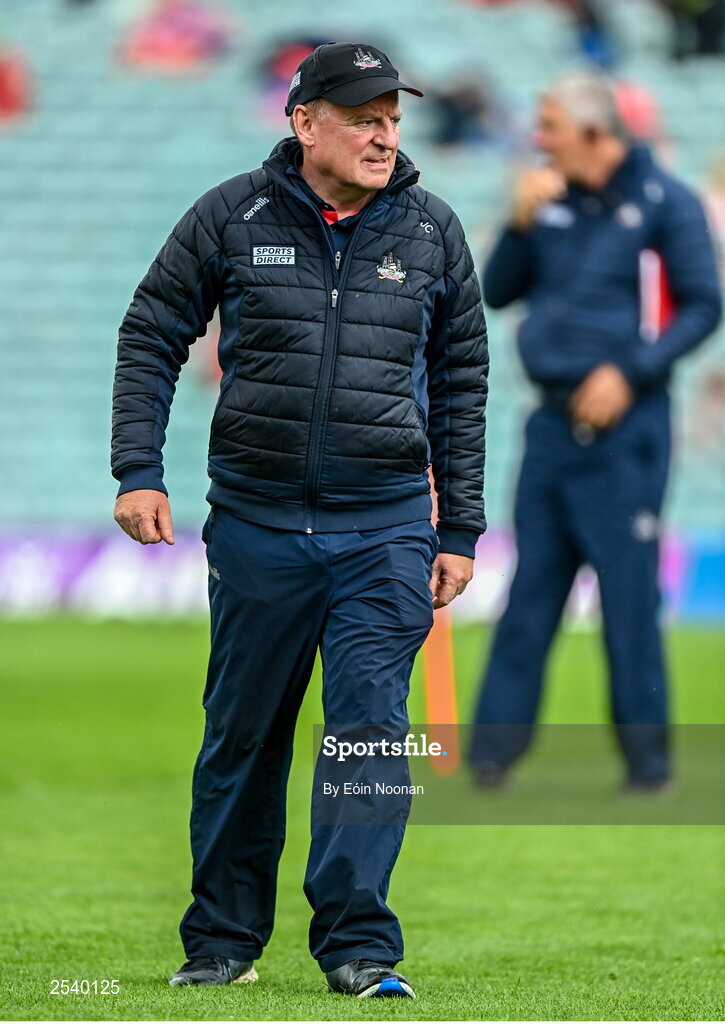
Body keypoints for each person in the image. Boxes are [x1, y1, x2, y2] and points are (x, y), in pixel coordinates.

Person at [111, 41, 488, 997]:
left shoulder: (435, 231)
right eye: (361, 115)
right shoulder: (229, 215)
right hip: (257, 525)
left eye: (392, 118)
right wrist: (137, 471)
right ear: (304, 121)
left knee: (368, 732)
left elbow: (462, 386)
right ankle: (223, 943)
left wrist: (460, 529)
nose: (381, 132)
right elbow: (152, 331)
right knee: (242, 736)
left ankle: (360, 945)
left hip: (386, 530)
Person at [469, 72, 721, 792]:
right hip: (550, 423)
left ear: (593, 133)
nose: (537, 139)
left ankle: (648, 766)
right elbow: (498, 290)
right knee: (530, 592)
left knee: (629, 597)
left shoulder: (665, 203)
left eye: (548, 126)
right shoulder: (545, 200)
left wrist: (631, 372)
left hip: (627, 429)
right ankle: (490, 756)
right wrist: (517, 224)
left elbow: (704, 305)